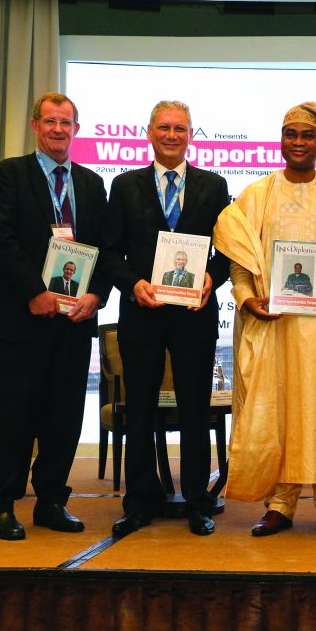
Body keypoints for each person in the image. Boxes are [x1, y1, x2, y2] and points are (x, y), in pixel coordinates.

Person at [213, 101, 316, 537]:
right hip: (277, 325)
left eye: (308, 135)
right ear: (281, 140)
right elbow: (239, 261)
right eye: (291, 134)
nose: (299, 142)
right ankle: (280, 503)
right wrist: (246, 298)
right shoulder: (256, 196)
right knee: (277, 408)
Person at [0, 92, 108, 541]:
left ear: (76, 129)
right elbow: (0, 236)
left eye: (66, 122)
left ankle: (51, 500)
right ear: (35, 125)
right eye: (50, 121)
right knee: (15, 415)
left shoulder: (91, 183)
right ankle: (1, 505)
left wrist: (97, 295)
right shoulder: (8, 173)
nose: (58, 129)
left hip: (73, 320)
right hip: (22, 316)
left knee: (64, 417)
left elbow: (104, 247)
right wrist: (34, 291)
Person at [100, 100, 230, 538]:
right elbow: (109, 252)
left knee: (195, 412)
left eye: (179, 128)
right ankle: (139, 502)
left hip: (195, 316)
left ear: (191, 134)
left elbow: (227, 251)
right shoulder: (124, 185)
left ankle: (197, 501)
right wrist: (132, 283)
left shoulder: (214, 186)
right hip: (142, 315)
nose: (171, 135)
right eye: (164, 128)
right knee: (139, 411)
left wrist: (212, 277)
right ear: (149, 133)